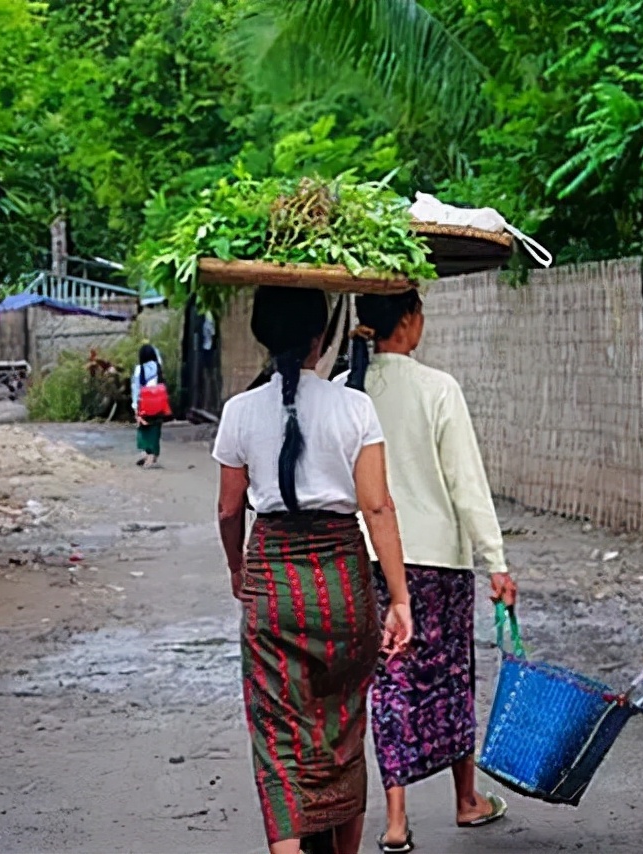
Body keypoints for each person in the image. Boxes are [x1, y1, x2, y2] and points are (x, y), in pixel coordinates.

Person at [213, 286, 415, 854]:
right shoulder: (354, 407)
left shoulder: (239, 412)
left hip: (272, 583)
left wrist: (238, 569)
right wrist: (399, 598)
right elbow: (378, 508)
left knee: (278, 735)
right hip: (343, 584)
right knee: (344, 727)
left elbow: (229, 510)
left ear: (260, 333)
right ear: (321, 338)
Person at [342, 290, 516, 854]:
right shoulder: (438, 388)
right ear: (408, 322)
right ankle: (466, 800)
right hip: (439, 561)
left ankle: (396, 819)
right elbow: (466, 483)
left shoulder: (346, 389)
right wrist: (496, 560)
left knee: (391, 678)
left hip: (370, 557)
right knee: (451, 675)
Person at [131, 343, 164, 467]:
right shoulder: (158, 367)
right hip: (158, 402)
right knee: (155, 429)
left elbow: (136, 388)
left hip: (144, 403)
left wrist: (135, 406)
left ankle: (145, 453)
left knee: (143, 429)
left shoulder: (139, 369)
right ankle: (153, 455)